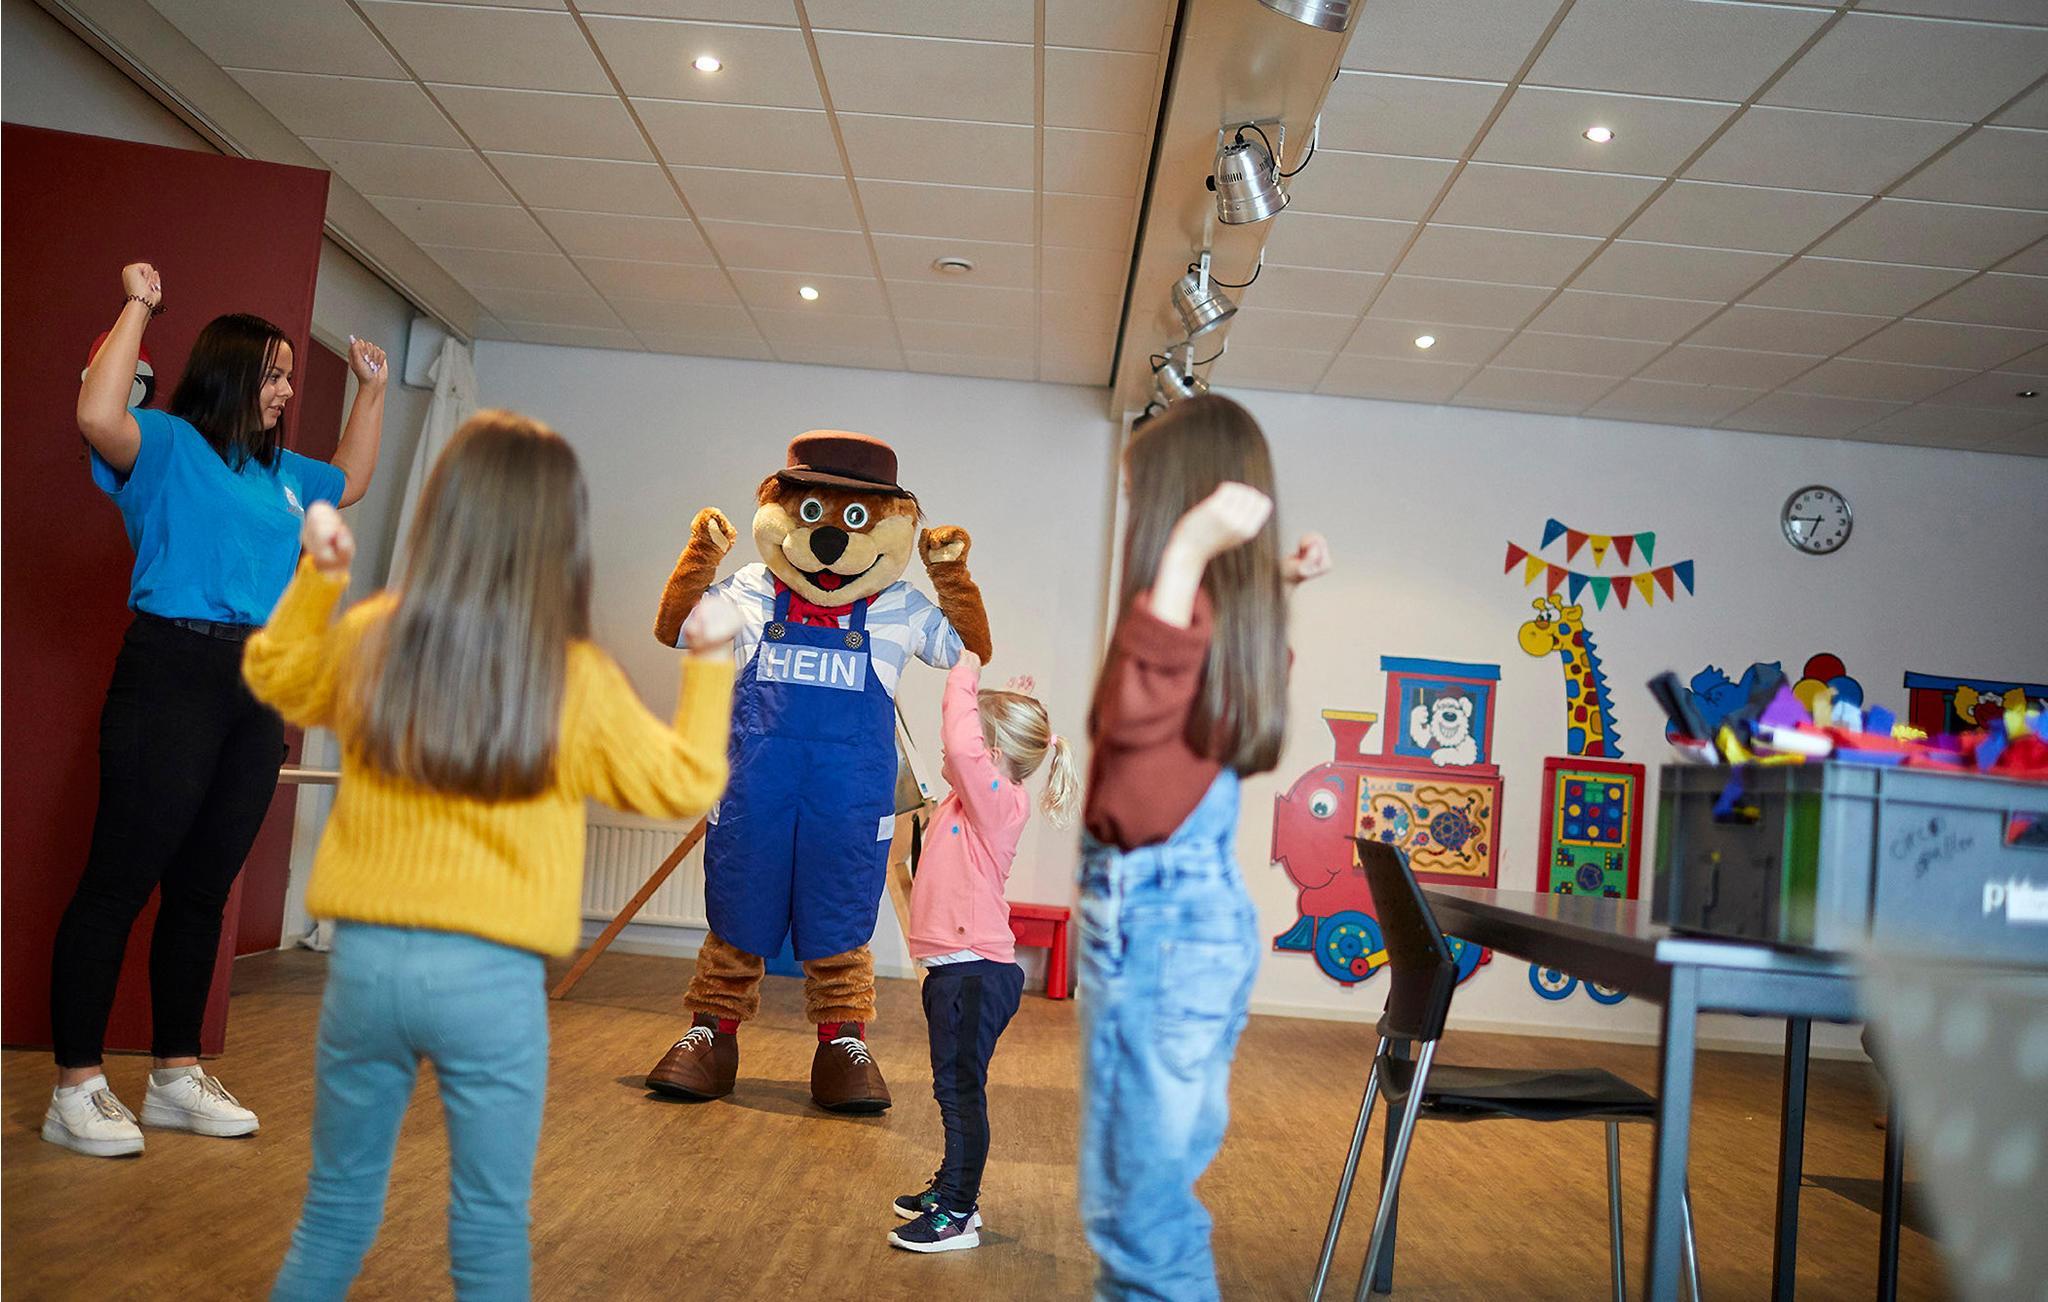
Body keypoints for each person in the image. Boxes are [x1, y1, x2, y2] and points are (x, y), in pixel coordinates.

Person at [248, 412, 736, 1300]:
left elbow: (278, 679)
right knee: (488, 1222)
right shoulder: (574, 675)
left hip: (366, 969)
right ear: (562, 540)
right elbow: (685, 785)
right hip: (492, 984)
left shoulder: (375, 635)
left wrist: (322, 579)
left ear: (444, 514)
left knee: (334, 1210)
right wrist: (709, 663)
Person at [45, 262, 388, 1158]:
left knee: (203, 890)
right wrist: (139, 303)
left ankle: (175, 1075)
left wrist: (372, 391)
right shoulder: (164, 445)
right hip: (172, 668)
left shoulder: (283, 474)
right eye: (274, 375)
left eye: (289, 377)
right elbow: (96, 415)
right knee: (119, 882)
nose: (285, 392)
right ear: (233, 374)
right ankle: (75, 1086)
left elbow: (352, 478)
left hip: (256, 685)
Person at [1076, 394, 1330, 1300]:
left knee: (1138, 1224)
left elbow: (1130, 725)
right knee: (1150, 1211)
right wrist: (1269, 584)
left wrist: (1186, 550)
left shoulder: (1184, 612)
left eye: (1142, 499)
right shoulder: (1220, 629)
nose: (1137, 517)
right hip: (1194, 926)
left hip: (1160, 924)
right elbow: (1195, 697)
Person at [890, 651, 1080, 1254]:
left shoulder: (999, 802)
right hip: (956, 972)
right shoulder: (971, 801)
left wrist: (964, 674)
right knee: (952, 1088)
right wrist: (1011, 703)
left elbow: (962, 744)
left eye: (973, 743)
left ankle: (957, 1211)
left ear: (990, 758)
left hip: (974, 973)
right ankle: (951, 1189)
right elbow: (970, 749)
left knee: (960, 1092)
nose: (951, 749)